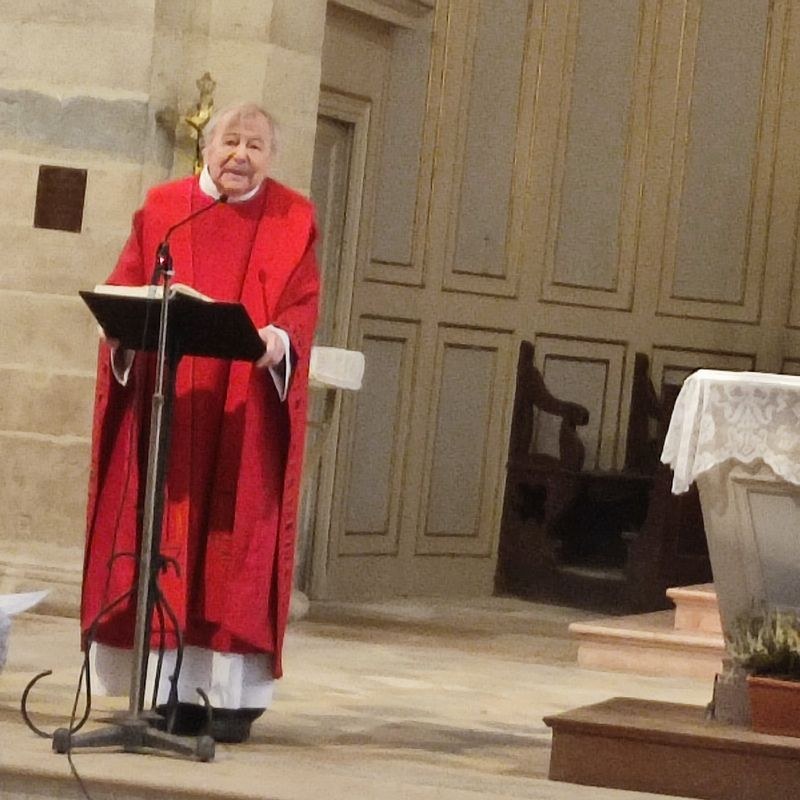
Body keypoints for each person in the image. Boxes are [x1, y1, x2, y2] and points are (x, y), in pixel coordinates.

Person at [81, 102, 319, 742]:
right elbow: (125, 284)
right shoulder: (165, 207)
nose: (241, 155)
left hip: (244, 410)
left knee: (231, 545)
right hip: (172, 404)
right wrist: (119, 332)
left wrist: (279, 340)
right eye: (230, 142)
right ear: (206, 148)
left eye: (256, 145)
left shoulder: (293, 216)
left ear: (272, 157)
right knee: (164, 533)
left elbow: (302, 305)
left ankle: (226, 699)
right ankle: (157, 689)